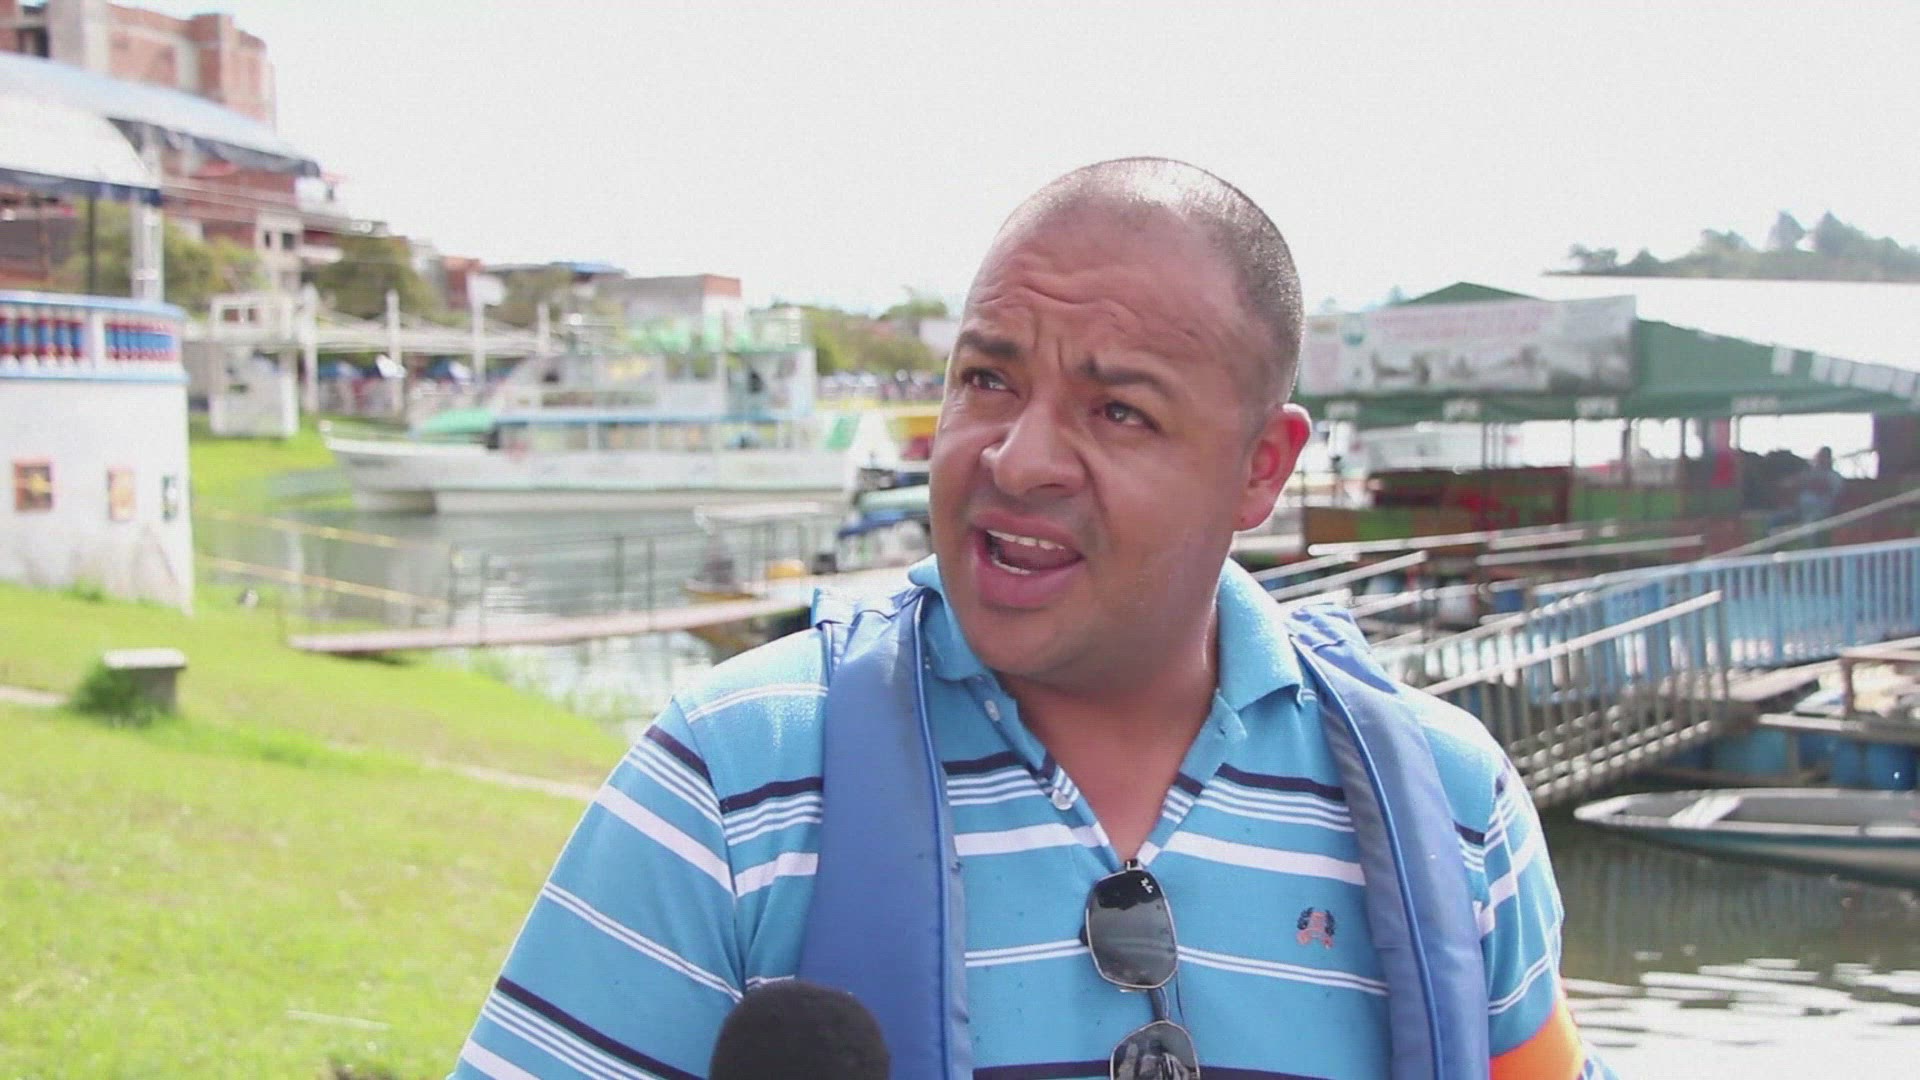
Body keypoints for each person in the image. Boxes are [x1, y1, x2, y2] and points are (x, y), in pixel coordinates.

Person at [449, 159, 1607, 1079]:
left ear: (1262, 467)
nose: (1017, 457)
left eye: (1118, 410)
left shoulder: (1454, 811)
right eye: (989, 380)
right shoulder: (736, 777)